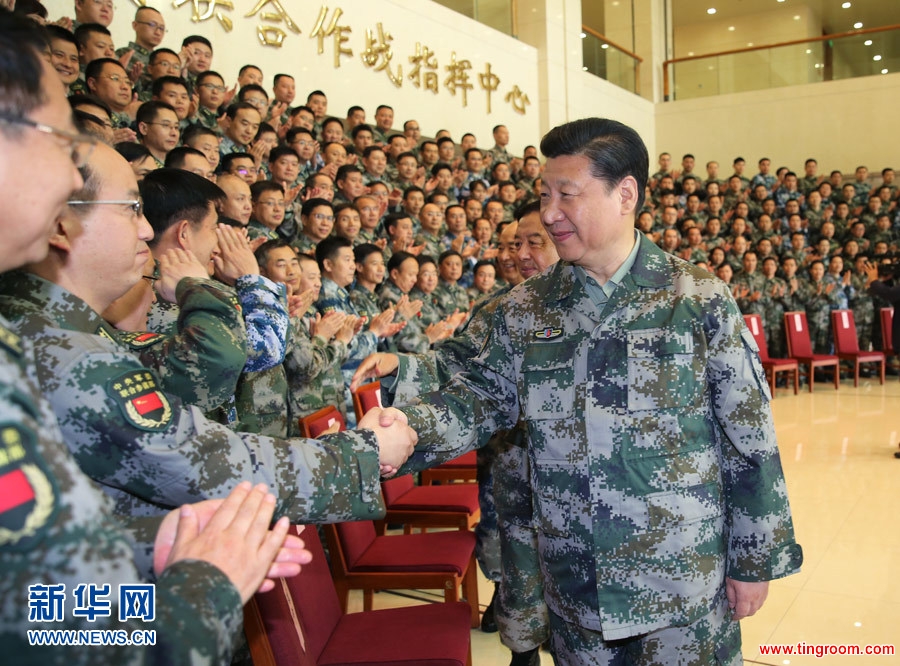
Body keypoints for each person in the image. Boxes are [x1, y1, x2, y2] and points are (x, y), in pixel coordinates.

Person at [376, 118, 802, 663]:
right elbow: (477, 397)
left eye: (567, 195)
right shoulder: (525, 310)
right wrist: (408, 430)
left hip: (683, 585)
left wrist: (754, 559)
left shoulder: (696, 298)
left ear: (625, 194)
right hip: (578, 590)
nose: (550, 213)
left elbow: (749, 437)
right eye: (544, 195)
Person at [0, 12, 307, 662]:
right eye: (58, 139)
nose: (68, 177)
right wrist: (206, 581)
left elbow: (41, 600)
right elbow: (59, 632)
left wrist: (157, 543)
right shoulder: (55, 345)